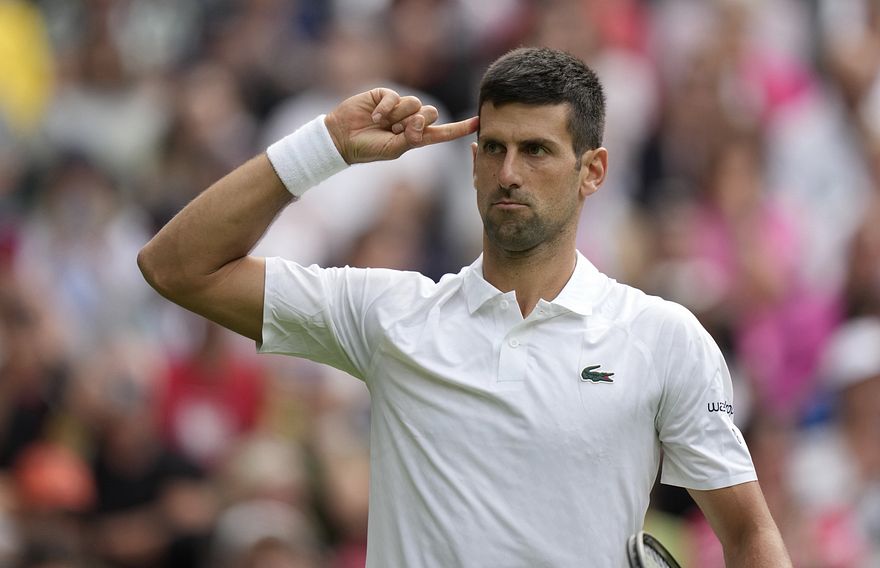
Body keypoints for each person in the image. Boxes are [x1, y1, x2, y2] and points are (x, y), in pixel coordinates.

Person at [138, 47, 791, 566]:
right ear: (473, 164)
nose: (509, 173)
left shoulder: (662, 337)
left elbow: (750, 534)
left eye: (536, 150)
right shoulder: (388, 314)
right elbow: (175, 266)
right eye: (496, 149)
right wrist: (326, 145)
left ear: (592, 171)